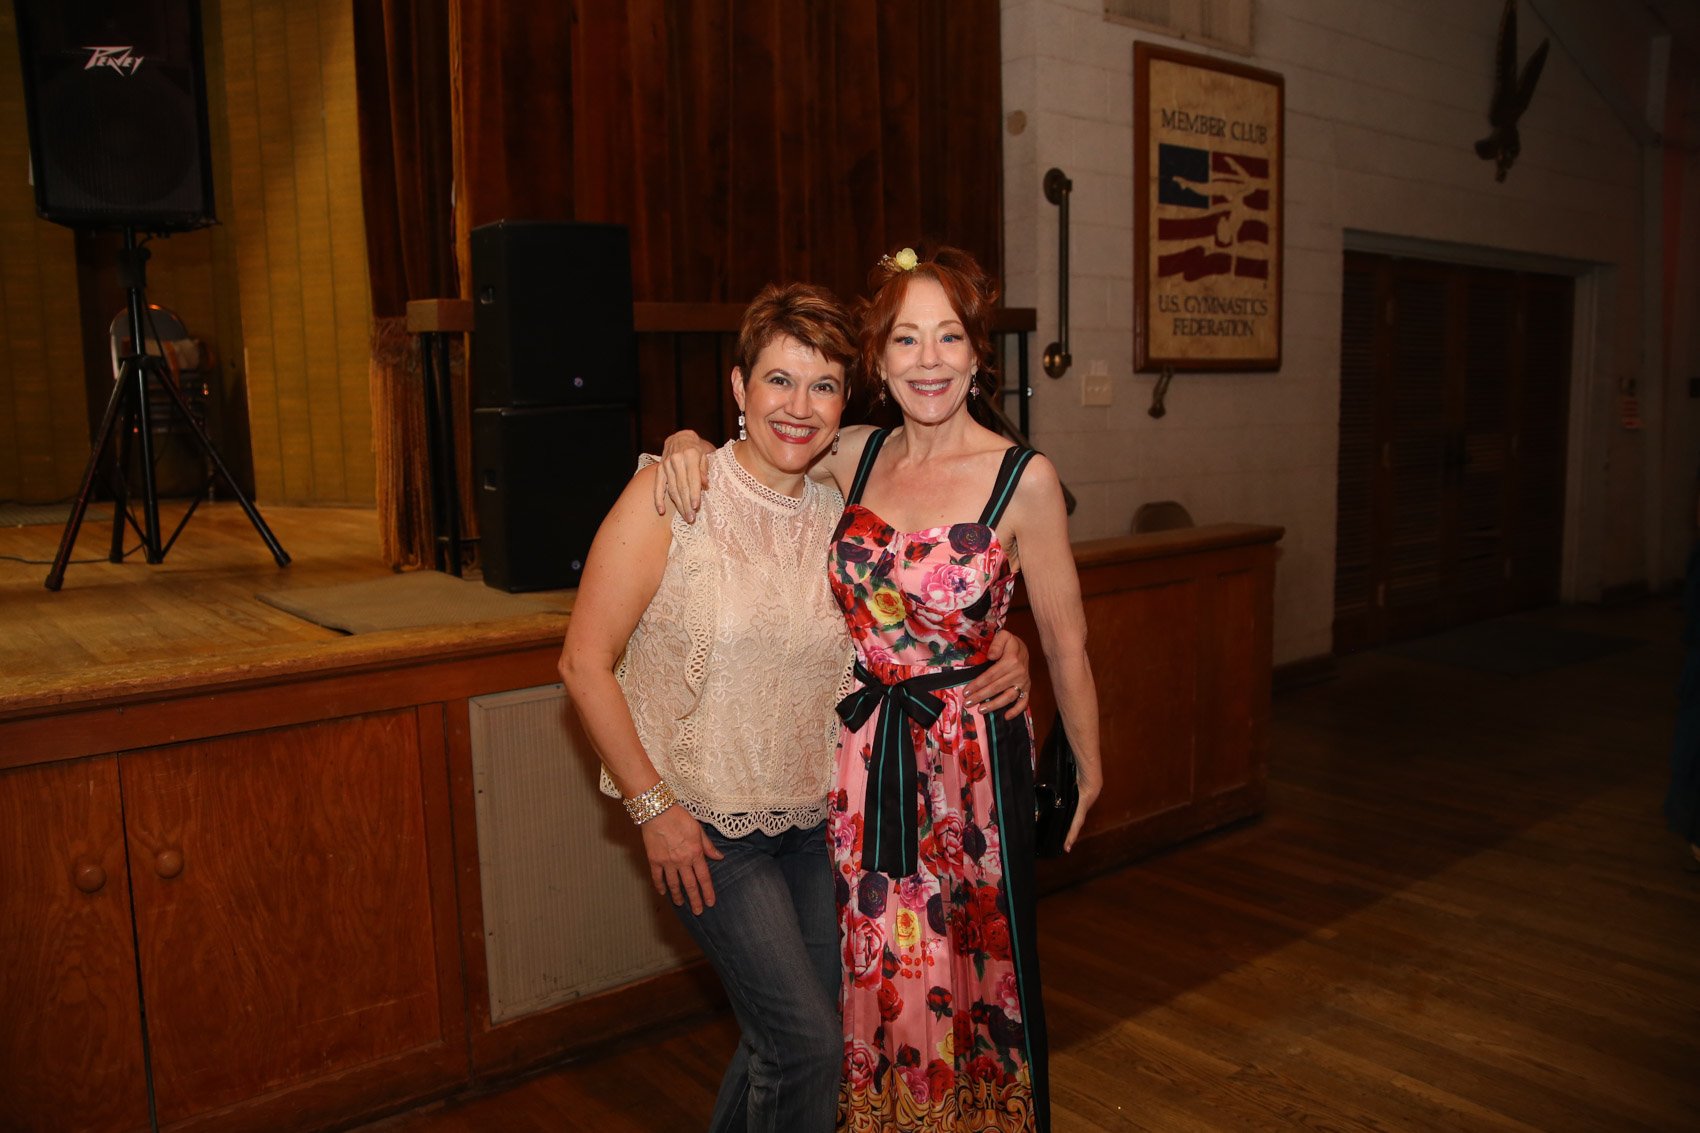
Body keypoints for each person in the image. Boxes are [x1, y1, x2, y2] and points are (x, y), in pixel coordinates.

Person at [558, 281, 1029, 1133]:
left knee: (794, 1038)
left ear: (846, 403)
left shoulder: (843, 514)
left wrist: (1004, 645)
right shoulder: (671, 493)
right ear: (739, 386)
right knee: (805, 1046)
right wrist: (653, 807)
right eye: (779, 380)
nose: (799, 407)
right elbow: (583, 661)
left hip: (818, 826)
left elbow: (913, 619)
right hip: (707, 829)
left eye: (823, 386)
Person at [659, 246, 1102, 1132]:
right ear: (880, 358)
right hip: (859, 765)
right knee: (862, 977)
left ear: (977, 354)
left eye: (948, 336)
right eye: (906, 338)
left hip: (970, 770)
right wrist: (686, 442)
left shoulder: (1026, 478)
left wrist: (1088, 766)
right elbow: (758, 450)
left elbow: (1066, 639)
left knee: (969, 975)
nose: (928, 359)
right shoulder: (851, 453)